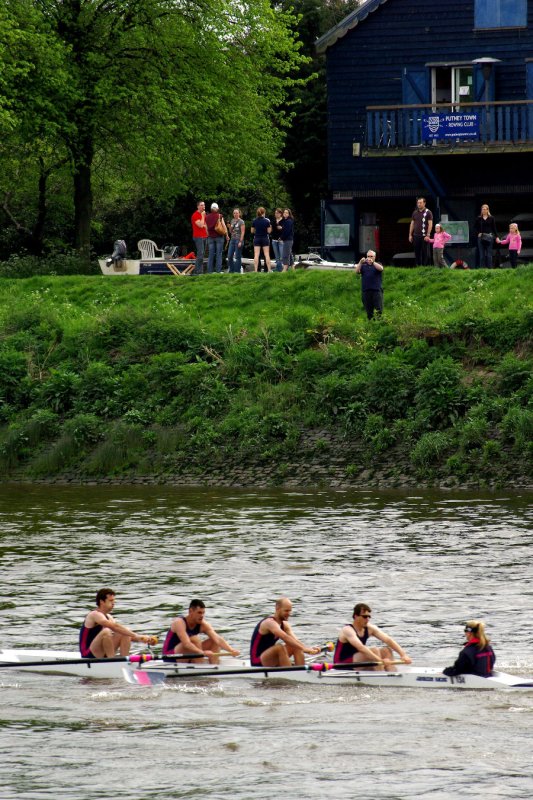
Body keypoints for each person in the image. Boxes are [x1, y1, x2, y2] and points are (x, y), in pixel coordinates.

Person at [79, 588, 157, 658]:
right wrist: (136, 635)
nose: (113, 603)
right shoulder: (94, 614)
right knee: (106, 631)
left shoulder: (109, 617)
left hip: (101, 652)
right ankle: (112, 661)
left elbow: (125, 633)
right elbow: (114, 627)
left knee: (125, 632)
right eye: (110, 601)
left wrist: (143, 639)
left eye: (113, 600)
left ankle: (125, 660)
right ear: (101, 602)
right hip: (88, 653)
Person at [333, 603, 412, 672]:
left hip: (358, 661)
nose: (367, 619)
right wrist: (380, 660)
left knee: (386, 650)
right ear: (356, 616)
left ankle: (392, 673)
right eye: (364, 617)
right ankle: (381, 677)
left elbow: (388, 640)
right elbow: (361, 648)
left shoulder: (369, 628)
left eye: (369, 617)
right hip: (342, 664)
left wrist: (403, 655)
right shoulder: (347, 630)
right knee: (374, 650)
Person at [162, 599, 240, 664]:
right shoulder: (179, 622)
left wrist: (231, 650)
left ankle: (214, 666)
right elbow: (186, 644)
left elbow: (218, 639)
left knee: (214, 641)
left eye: (203, 613)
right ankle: (201, 667)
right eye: (199, 612)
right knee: (195, 640)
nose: (202, 615)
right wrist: (202, 652)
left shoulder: (202, 624)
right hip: (171, 657)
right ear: (190, 611)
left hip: (188, 654)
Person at [250, 597, 321, 666]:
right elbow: (285, 637)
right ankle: (291, 673)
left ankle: (301, 670)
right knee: (279, 647)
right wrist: (305, 649)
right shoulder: (269, 623)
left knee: (295, 646)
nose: (289, 613)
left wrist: (310, 649)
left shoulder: (284, 625)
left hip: (269, 658)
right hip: (257, 661)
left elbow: (295, 641)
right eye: (286, 611)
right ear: (277, 609)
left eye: (290, 611)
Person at [355, 250, 384, 319]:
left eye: (371, 256)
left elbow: (381, 269)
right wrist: (360, 262)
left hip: (376, 290)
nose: (369, 258)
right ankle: (370, 324)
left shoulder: (378, 264)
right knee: (368, 310)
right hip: (366, 291)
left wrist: (373, 262)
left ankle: (379, 323)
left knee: (378, 309)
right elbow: (357, 271)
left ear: (375, 257)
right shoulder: (363, 265)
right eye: (368, 256)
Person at [409, 197, 433, 266]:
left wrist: (428, 235)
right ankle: (418, 267)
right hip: (416, 235)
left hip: (424, 236)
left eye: (420, 203)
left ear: (424, 203)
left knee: (425, 253)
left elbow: (430, 224)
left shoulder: (428, 212)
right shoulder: (415, 212)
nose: (419, 204)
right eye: (418, 203)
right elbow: (412, 224)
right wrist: (410, 235)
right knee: (417, 252)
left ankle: (425, 267)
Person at [205, 202, 228, 273]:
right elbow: (224, 226)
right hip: (219, 237)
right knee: (219, 254)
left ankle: (209, 271)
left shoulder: (206, 217)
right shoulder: (219, 216)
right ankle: (218, 271)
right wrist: (226, 235)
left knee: (211, 255)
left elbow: (206, 228)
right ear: (217, 208)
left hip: (210, 238)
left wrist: (208, 235)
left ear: (211, 209)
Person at [473, 203, 498, 268]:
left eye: (485, 209)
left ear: (487, 210)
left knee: (489, 254)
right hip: (481, 237)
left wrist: (497, 237)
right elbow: (475, 227)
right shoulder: (479, 218)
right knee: (482, 255)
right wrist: (478, 233)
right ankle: (482, 269)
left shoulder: (491, 218)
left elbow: (494, 228)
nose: (483, 210)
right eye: (482, 209)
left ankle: (490, 269)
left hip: (489, 237)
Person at [251, 207, 272, 272]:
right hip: (265, 238)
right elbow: (269, 231)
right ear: (263, 213)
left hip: (257, 238)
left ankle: (255, 270)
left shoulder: (254, 221)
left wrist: (257, 231)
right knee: (266, 254)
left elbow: (252, 231)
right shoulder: (267, 221)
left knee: (256, 254)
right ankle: (269, 270)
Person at [191, 200, 208, 275]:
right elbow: (201, 225)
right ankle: (196, 272)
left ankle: (200, 272)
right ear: (198, 206)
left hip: (204, 236)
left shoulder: (203, 215)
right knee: (200, 254)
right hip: (198, 237)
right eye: (201, 205)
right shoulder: (195, 215)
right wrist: (202, 216)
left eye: (204, 205)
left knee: (202, 255)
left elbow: (205, 225)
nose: (203, 207)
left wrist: (208, 233)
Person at [227, 208, 246, 274]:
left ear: (239, 214)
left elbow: (243, 232)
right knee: (229, 256)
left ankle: (237, 271)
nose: (235, 214)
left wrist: (240, 241)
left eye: (237, 213)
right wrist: (229, 227)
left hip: (238, 240)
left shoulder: (241, 221)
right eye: (234, 213)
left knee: (238, 256)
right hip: (232, 240)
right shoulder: (232, 220)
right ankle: (231, 270)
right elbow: (230, 231)